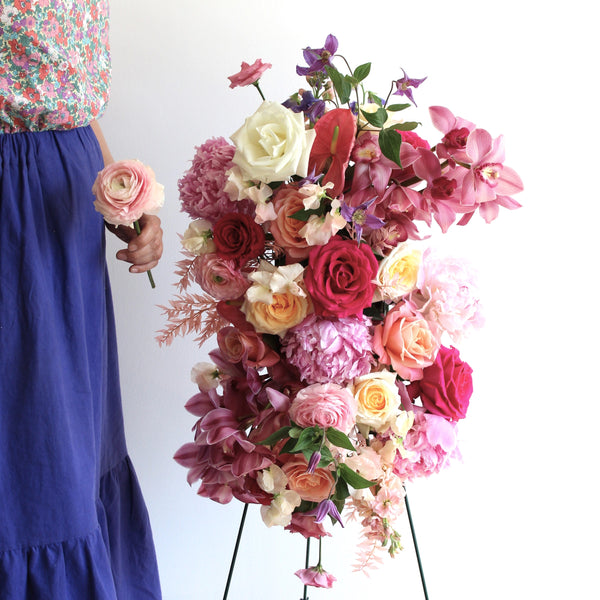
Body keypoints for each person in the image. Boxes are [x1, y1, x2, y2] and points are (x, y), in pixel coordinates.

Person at [0, 1, 163, 598]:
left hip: (62, 208)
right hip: (12, 213)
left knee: (71, 448)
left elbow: (74, 100)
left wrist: (123, 200)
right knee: (29, 457)